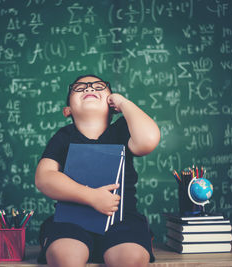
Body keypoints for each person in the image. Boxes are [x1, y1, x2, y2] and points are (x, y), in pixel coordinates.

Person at [35, 74, 161, 267]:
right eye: (79, 88)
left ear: (112, 104)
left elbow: (148, 141)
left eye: (98, 86)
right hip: (71, 220)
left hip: (122, 220)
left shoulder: (122, 130)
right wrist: (90, 196)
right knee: (64, 256)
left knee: (131, 259)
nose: (89, 88)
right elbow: (44, 178)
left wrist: (124, 103)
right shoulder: (63, 137)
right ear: (67, 110)